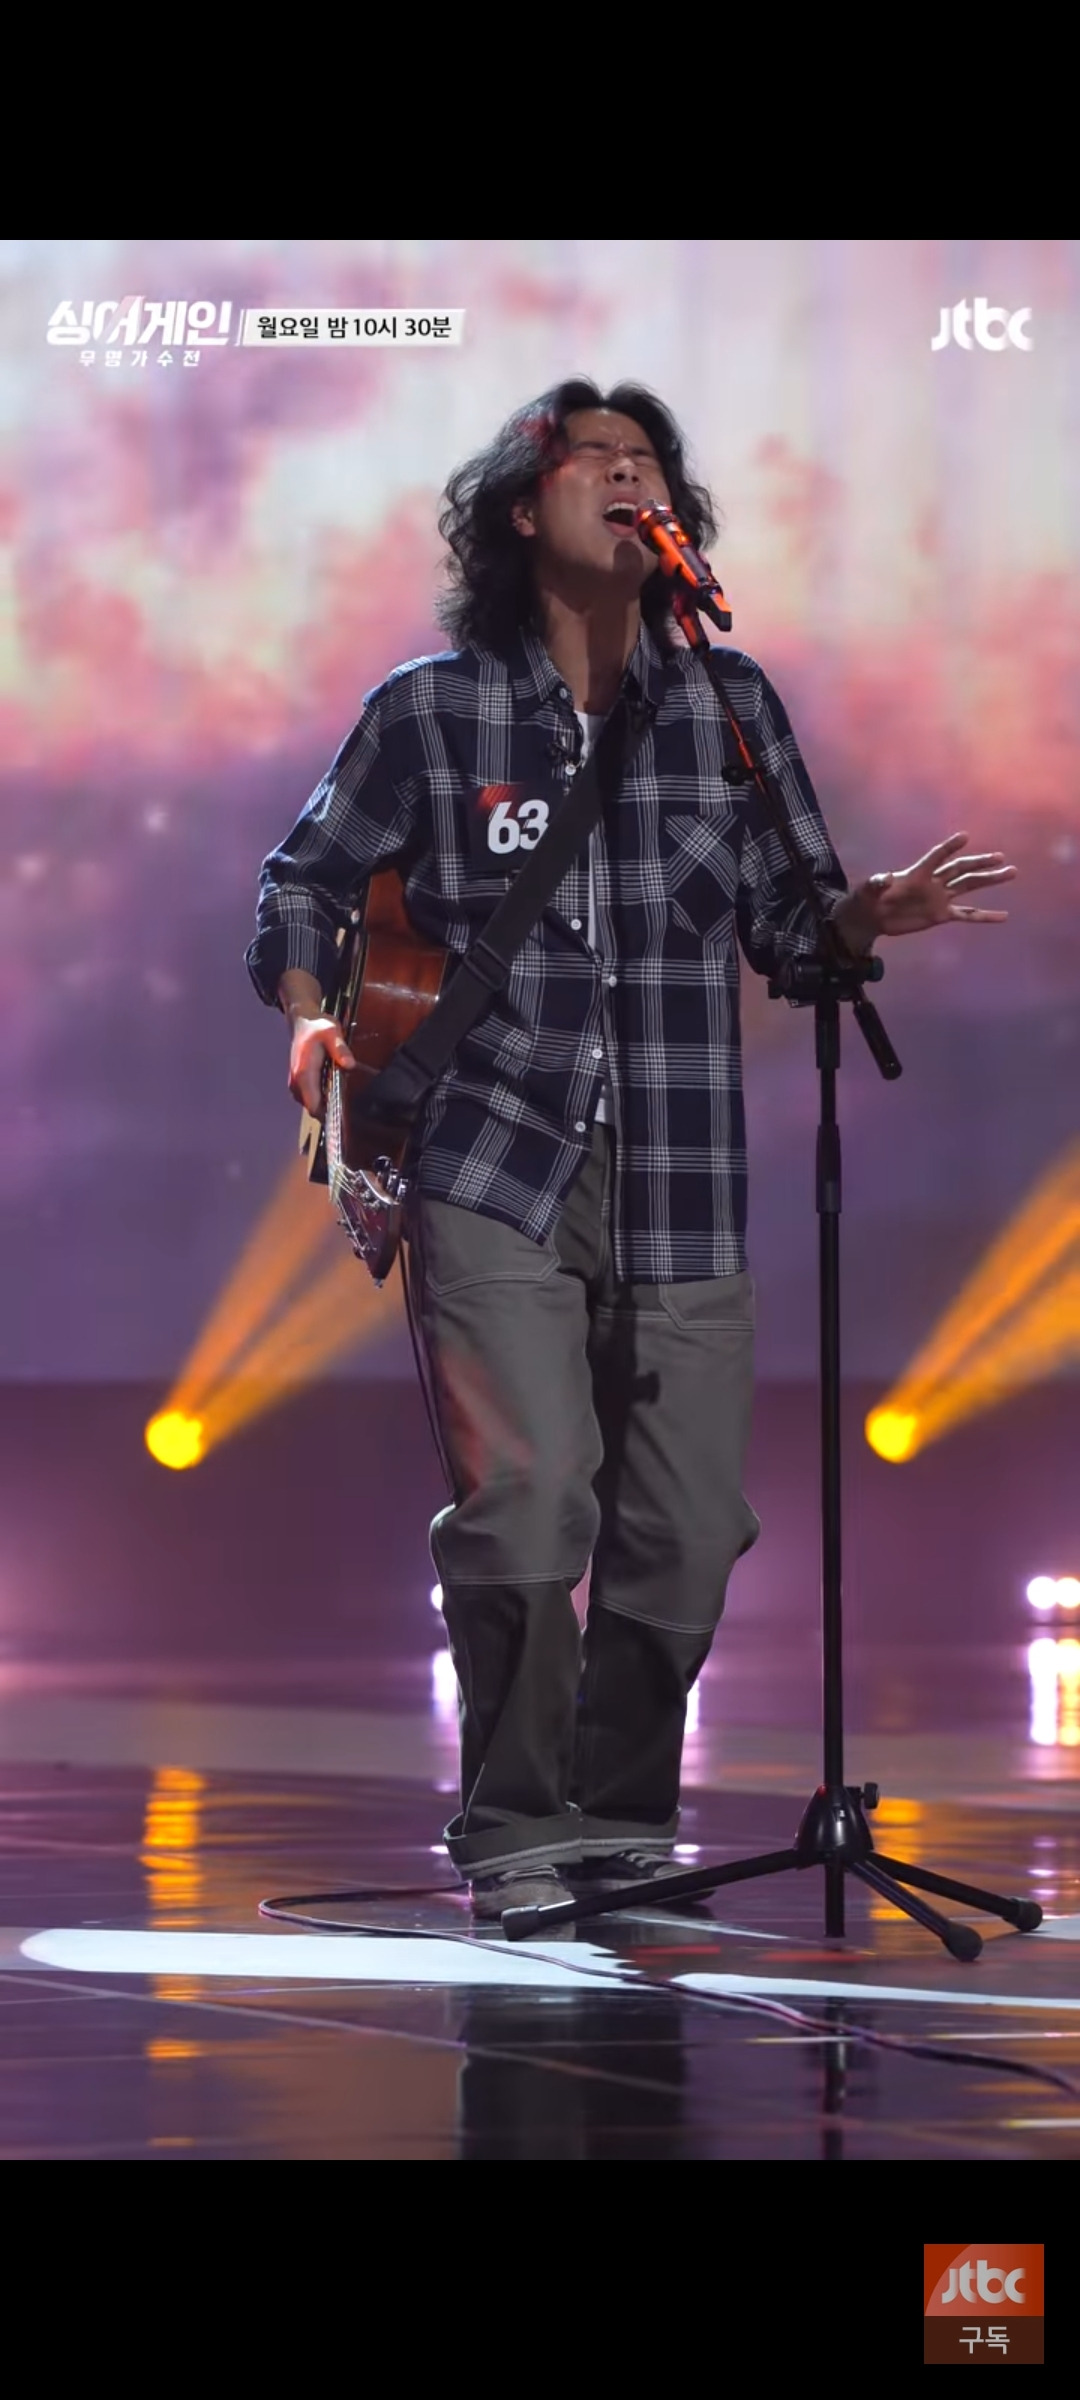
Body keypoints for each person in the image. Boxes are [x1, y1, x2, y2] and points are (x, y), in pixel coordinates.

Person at [246, 378, 1015, 1923]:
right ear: (521, 510)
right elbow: (302, 886)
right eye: (591, 458)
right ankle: (519, 1826)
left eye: (646, 460)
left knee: (688, 1523)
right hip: (491, 1158)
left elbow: (793, 931)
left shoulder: (729, 707)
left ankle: (617, 1818)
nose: (624, 475)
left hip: (681, 1169)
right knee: (531, 1496)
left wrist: (864, 915)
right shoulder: (431, 710)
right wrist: (313, 1018)